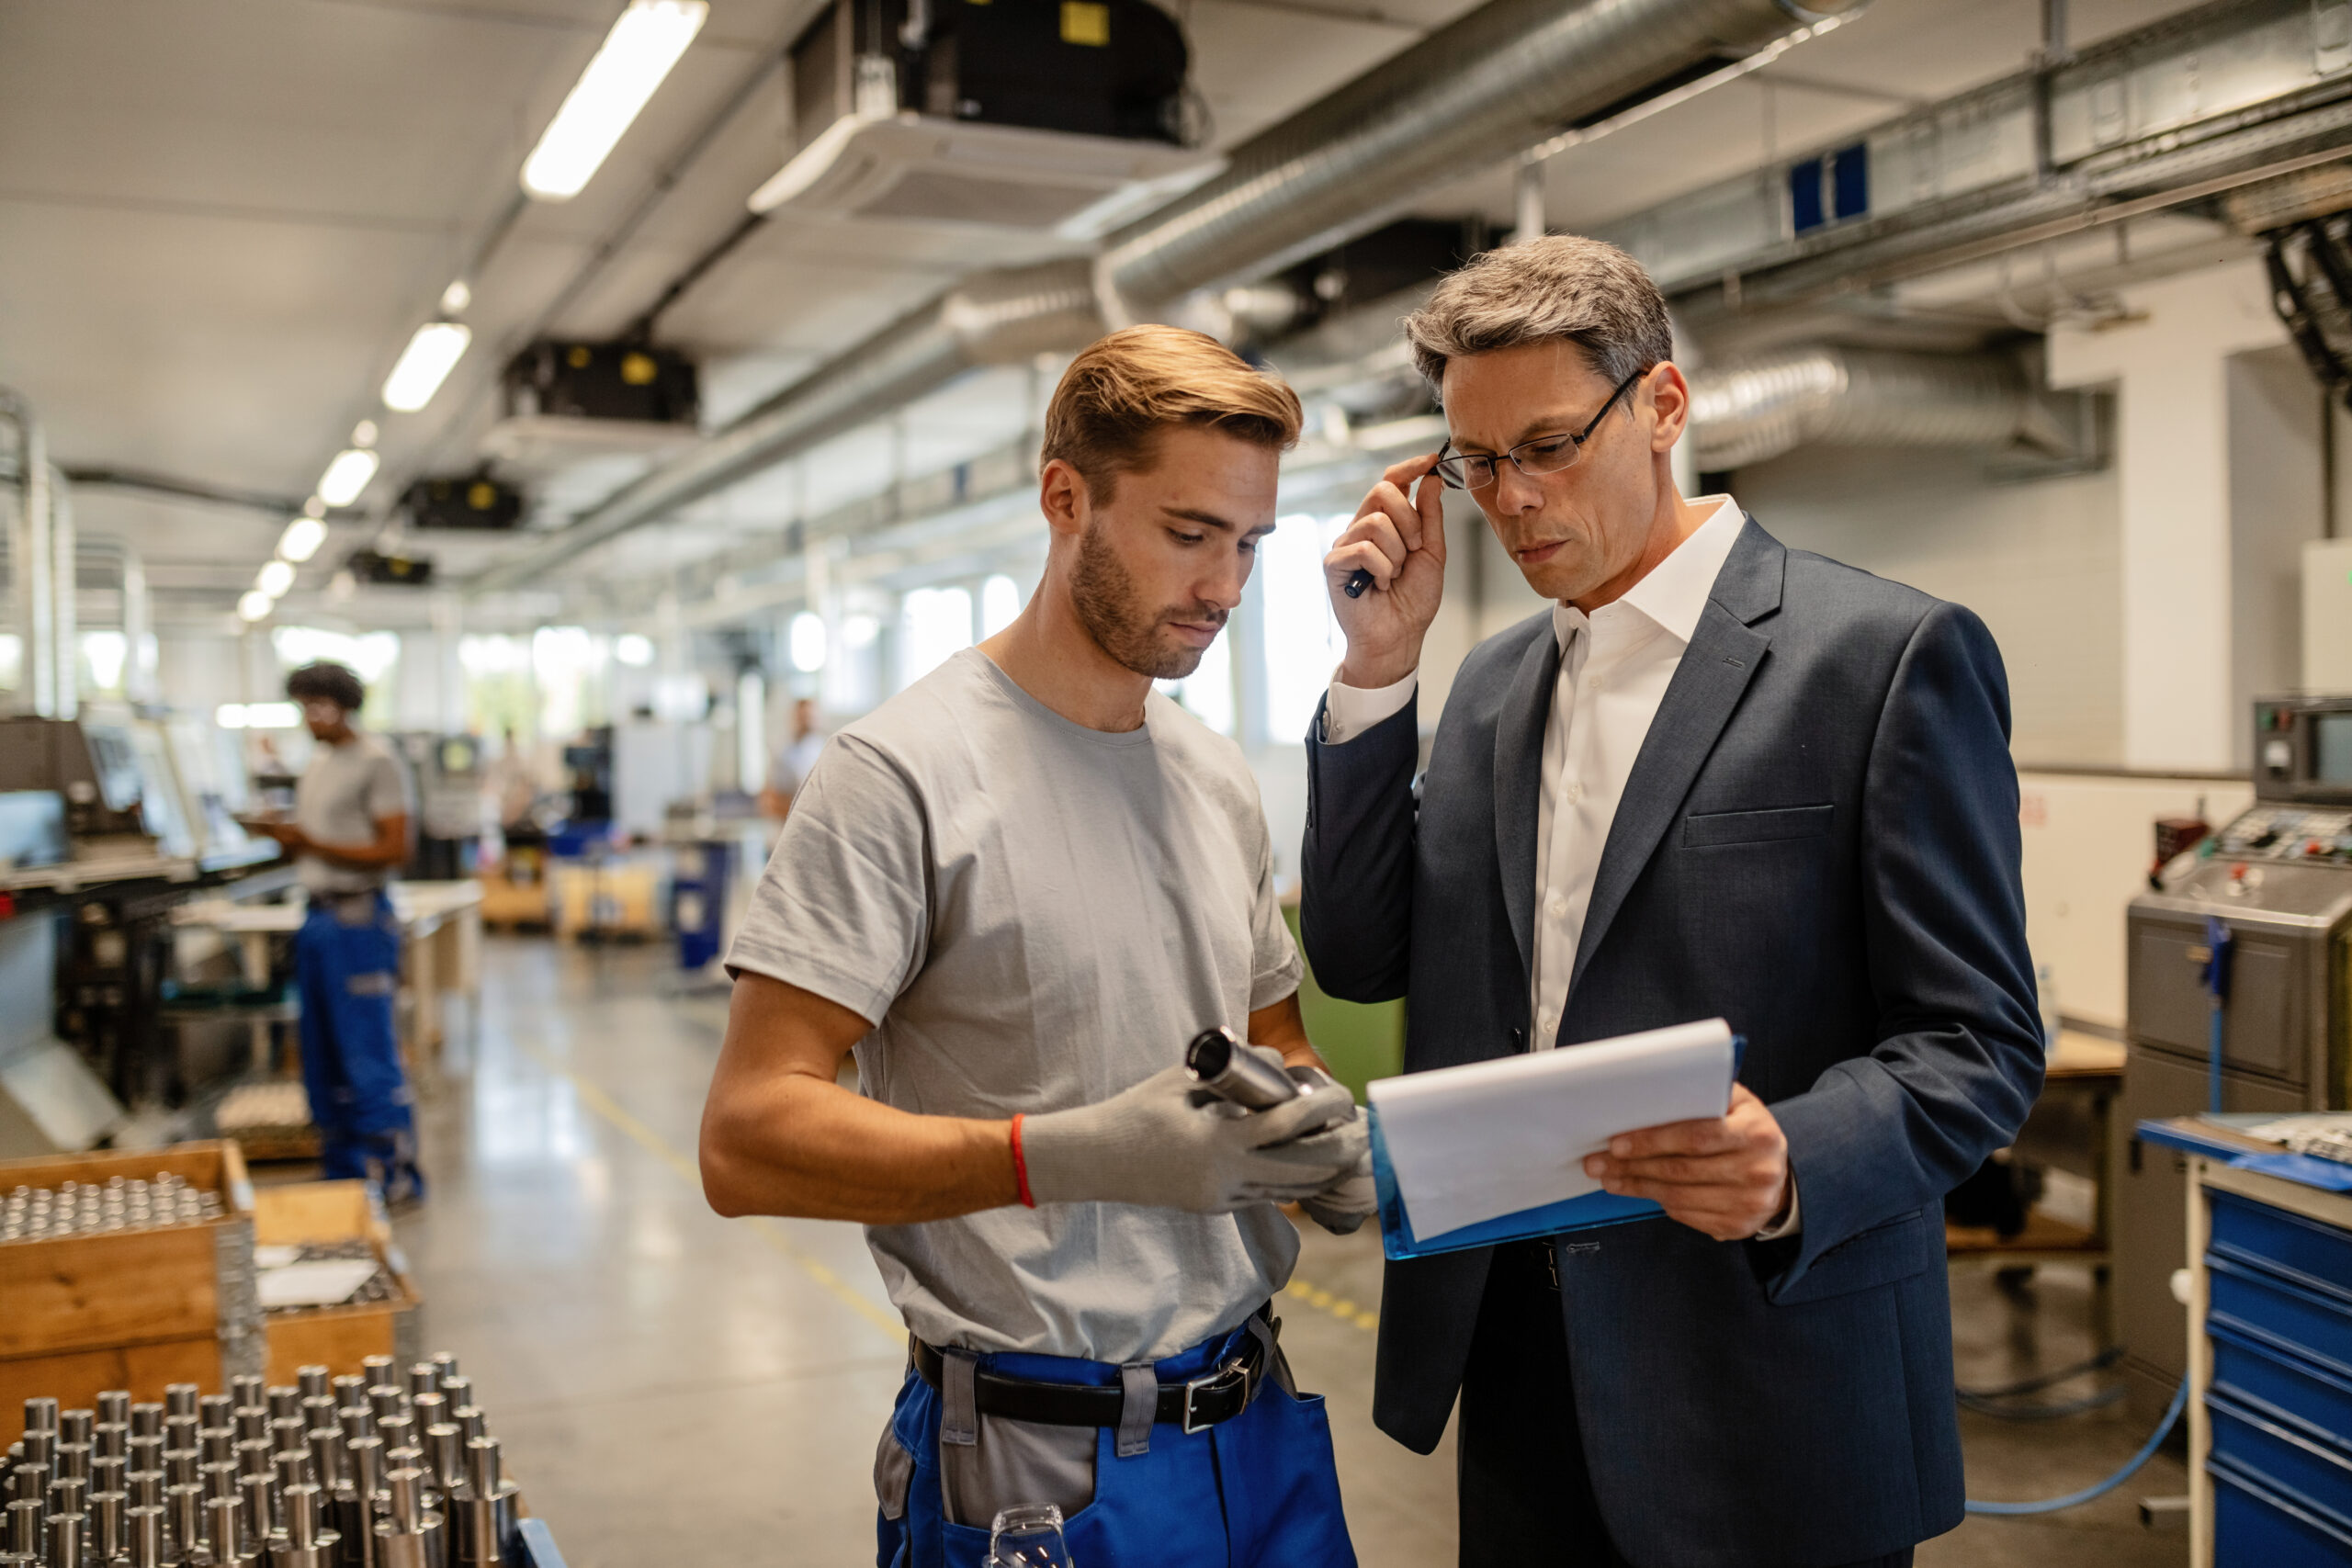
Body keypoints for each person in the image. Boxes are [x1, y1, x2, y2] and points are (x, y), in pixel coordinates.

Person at [1299, 236, 2042, 1566]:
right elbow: (1358, 959)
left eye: (1549, 445)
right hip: (1521, 1360)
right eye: (1477, 464)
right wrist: (1376, 673)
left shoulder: (1878, 659)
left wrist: (1790, 1162)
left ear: (1663, 405)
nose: (1513, 499)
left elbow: (1979, 1044)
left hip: (1765, 1366)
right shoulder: (1486, 686)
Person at [700, 325, 1373, 1568]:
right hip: (1037, 1467)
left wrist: (1316, 1138)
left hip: (1259, 1425)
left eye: (1249, 542)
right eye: (1187, 532)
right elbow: (746, 1137)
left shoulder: (1217, 779)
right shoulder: (898, 776)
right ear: (1065, 498)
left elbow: (1277, 1042)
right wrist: (1064, 1153)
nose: (1225, 585)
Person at [248, 660, 426, 1203]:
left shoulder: (377, 761)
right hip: (318, 918)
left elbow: (396, 849)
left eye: (317, 705)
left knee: (366, 1055)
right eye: (302, 706)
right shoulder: (319, 762)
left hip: (358, 920)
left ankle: (395, 1177)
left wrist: (311, 843)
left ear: (344, 706)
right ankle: (344, 1178)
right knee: (322, 1058)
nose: (309, 717)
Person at [757, 696, 823, 819]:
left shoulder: (823, 749)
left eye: (811, 717)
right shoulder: (782, 752)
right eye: (804, 716)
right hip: (787, 821)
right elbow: (771, 798)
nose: (808, 721)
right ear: (795, 717)